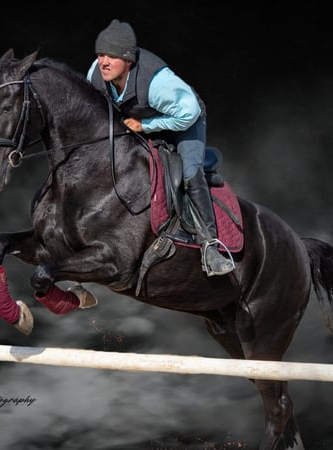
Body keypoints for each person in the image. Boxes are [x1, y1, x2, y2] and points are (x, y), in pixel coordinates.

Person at [86, 19, 235, 277]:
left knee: (189, 173)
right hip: (142, 120)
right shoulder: (95, 74)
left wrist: (146, 125)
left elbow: (189, 112)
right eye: (100, 54)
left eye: (112, 56)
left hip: (184, 122)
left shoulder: (158, 83)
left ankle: (210, 246)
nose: (104, 62)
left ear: (128, 60)